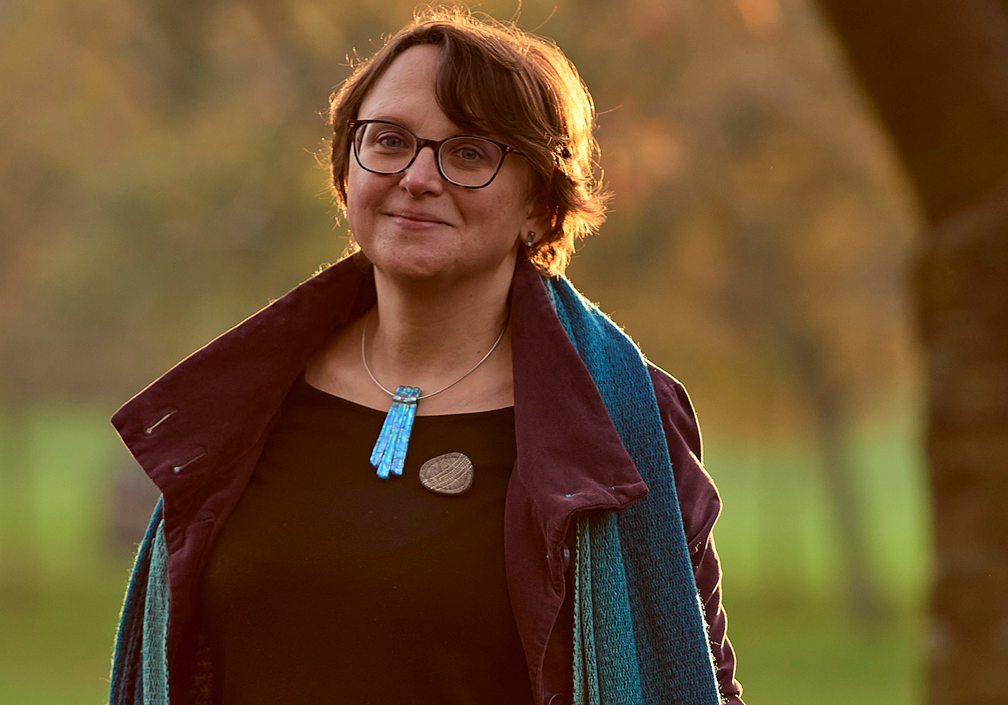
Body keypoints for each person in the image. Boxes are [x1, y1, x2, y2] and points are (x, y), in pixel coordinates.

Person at [107, 10, 743, 705]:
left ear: (540, 204)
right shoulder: (240, 404)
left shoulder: (621, 420)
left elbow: (696, 678)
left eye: (469, 152)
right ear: (348, 171)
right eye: (389, 141)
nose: (417, 176)